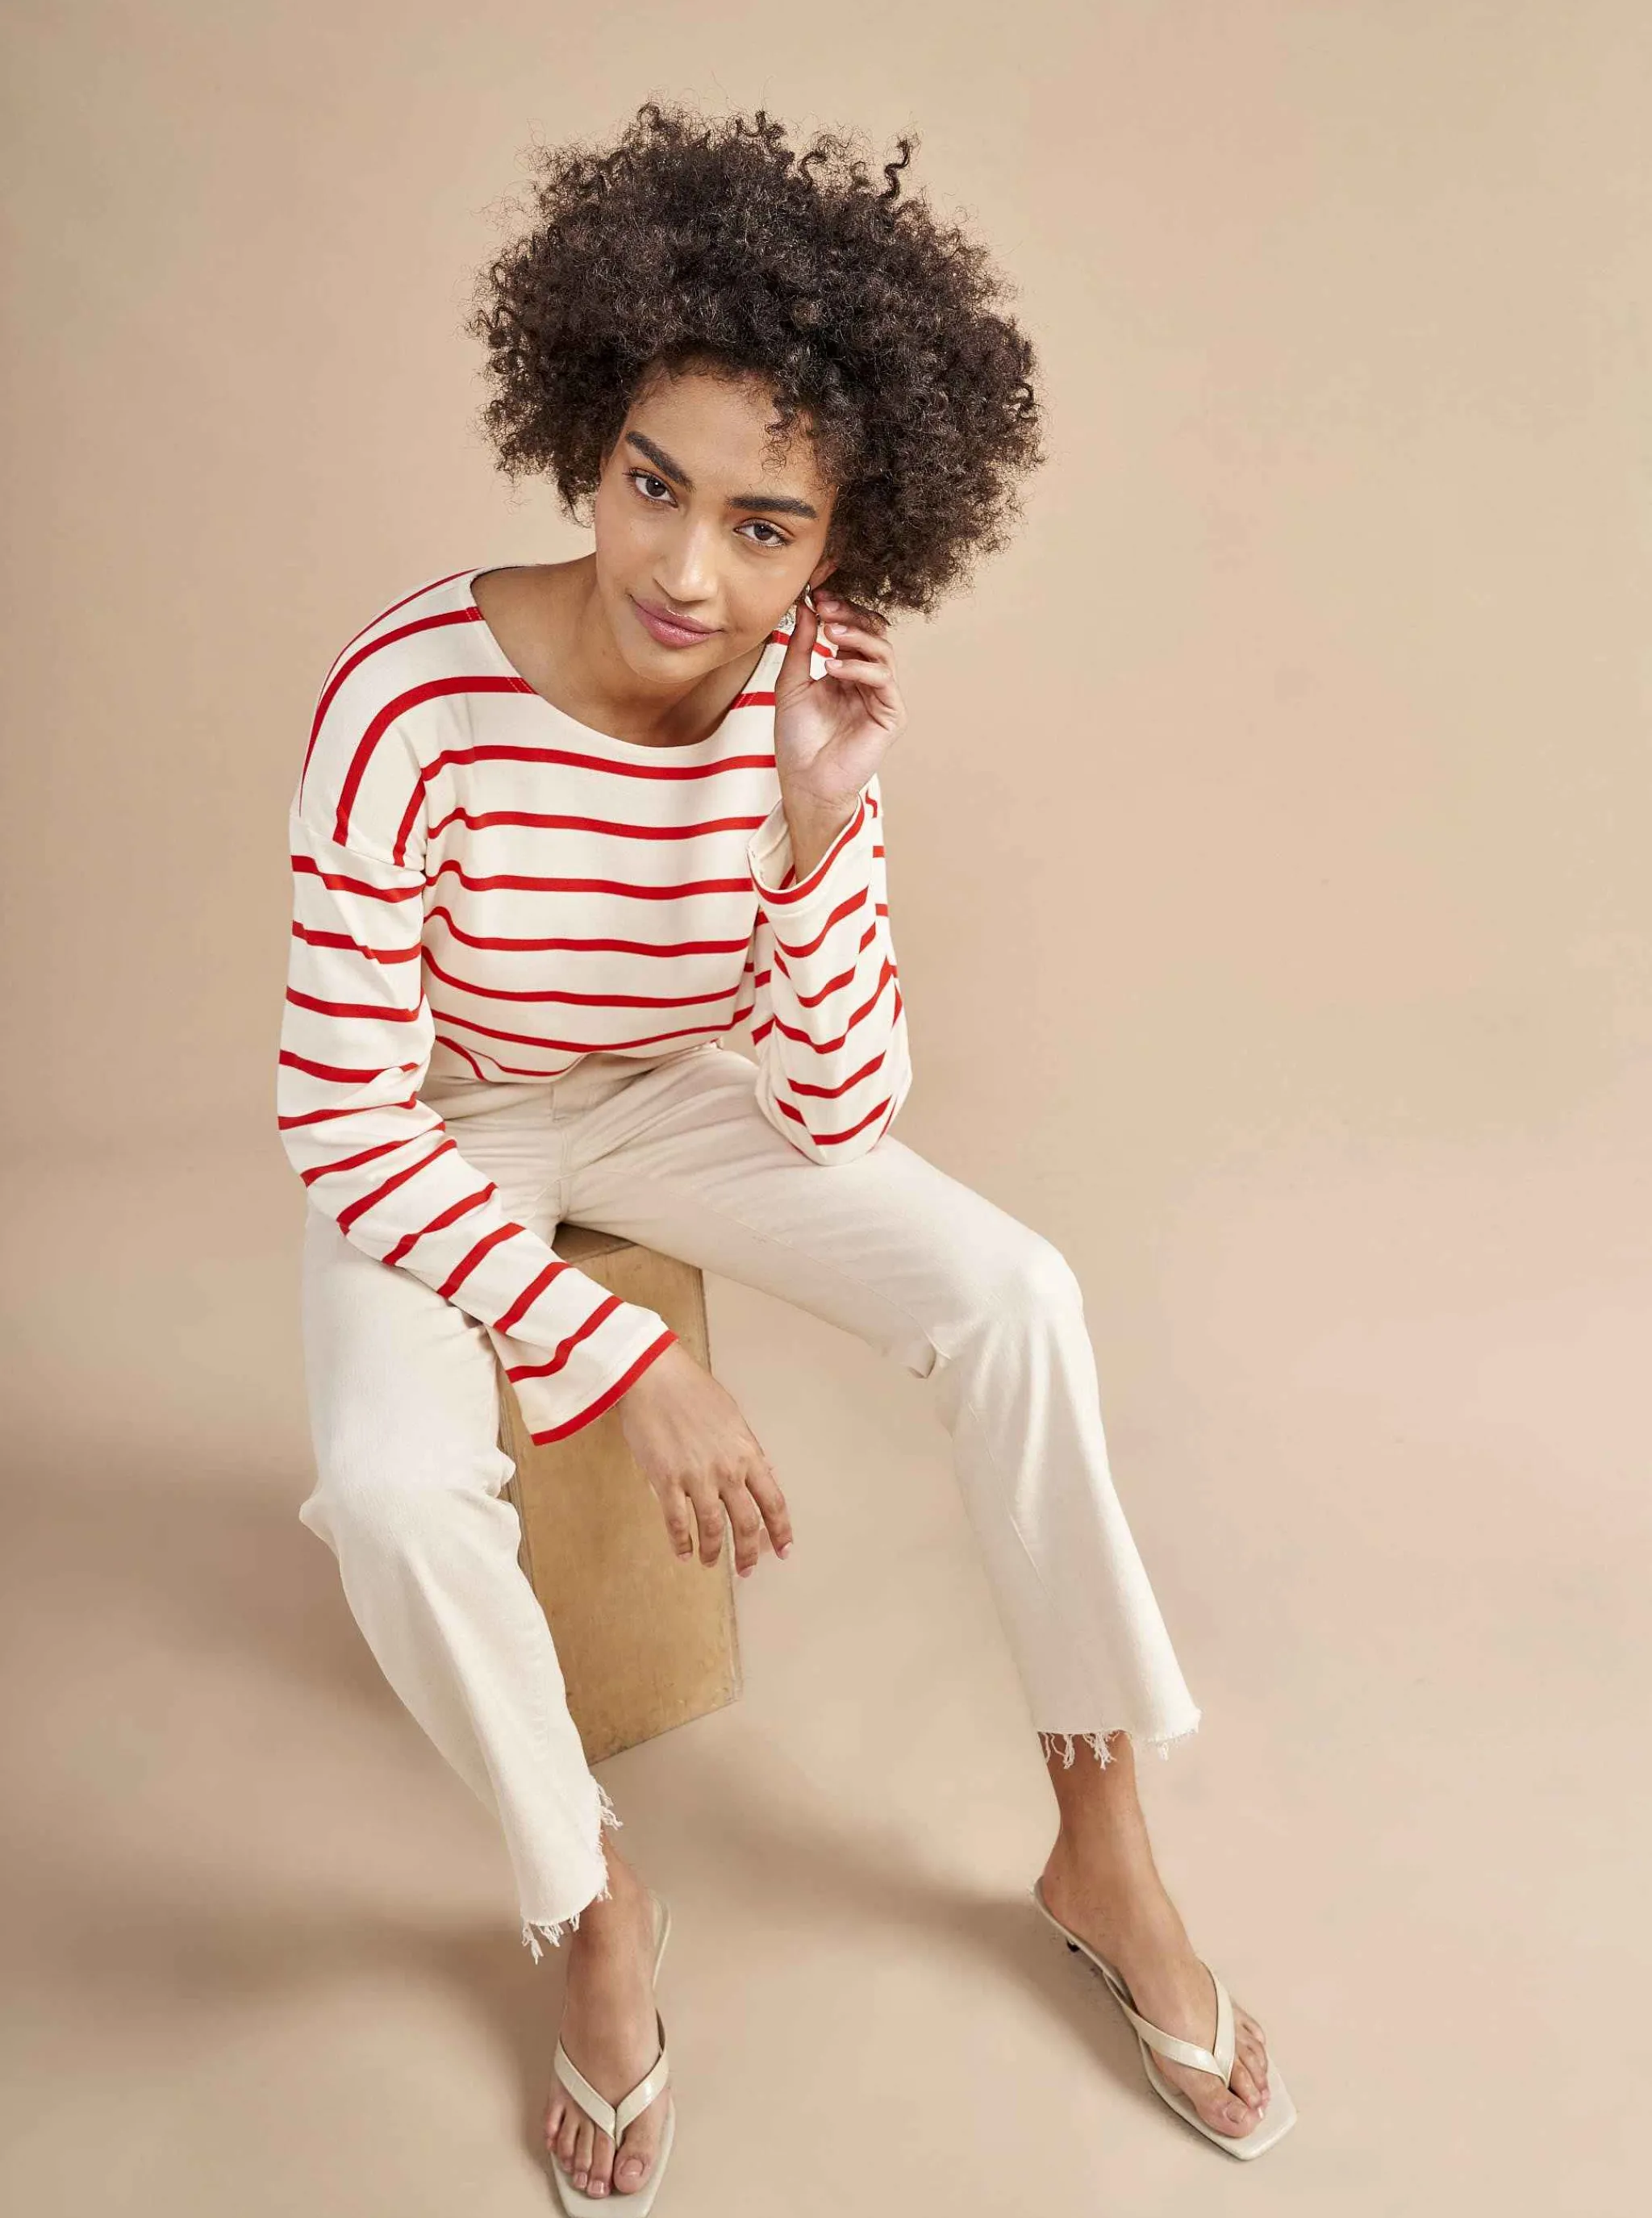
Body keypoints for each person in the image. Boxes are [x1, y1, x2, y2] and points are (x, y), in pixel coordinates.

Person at [276, 102, 1290, 2208]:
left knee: (1015, 1295)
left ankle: (1102, 1837)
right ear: (588, 435)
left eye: (763, 523)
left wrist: (816, 833)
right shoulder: (403, 702)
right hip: (442, 1122)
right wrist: (622, 1360)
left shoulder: (795, 708)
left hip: (679, 1091)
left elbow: (836, 1111)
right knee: (386, 1488)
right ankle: (587, 1897)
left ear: (840, 543)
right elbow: (341, 1110)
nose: (686, 569)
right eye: (654, 484)